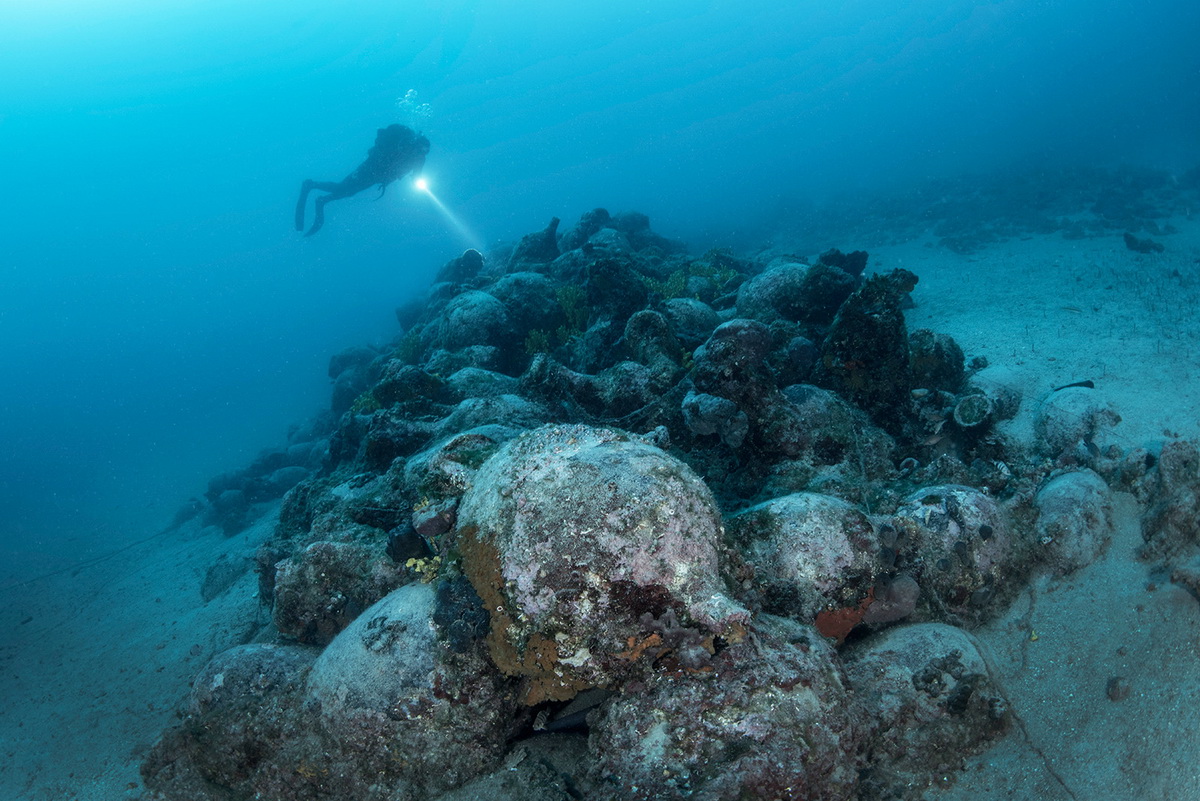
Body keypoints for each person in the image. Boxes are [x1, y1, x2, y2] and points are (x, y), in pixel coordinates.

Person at [295, 124, 430, 236]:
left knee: (349, 192)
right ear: (415, 145)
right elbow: (384, 153)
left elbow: (417, 175)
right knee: (342, 188)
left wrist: (418, 183)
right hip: (369, 168)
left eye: (424, 152)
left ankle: (322, 200)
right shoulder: (403, 145)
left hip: (377, 177)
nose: (420, 154)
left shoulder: (419, 159)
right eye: (419, 150)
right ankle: (311, 185)